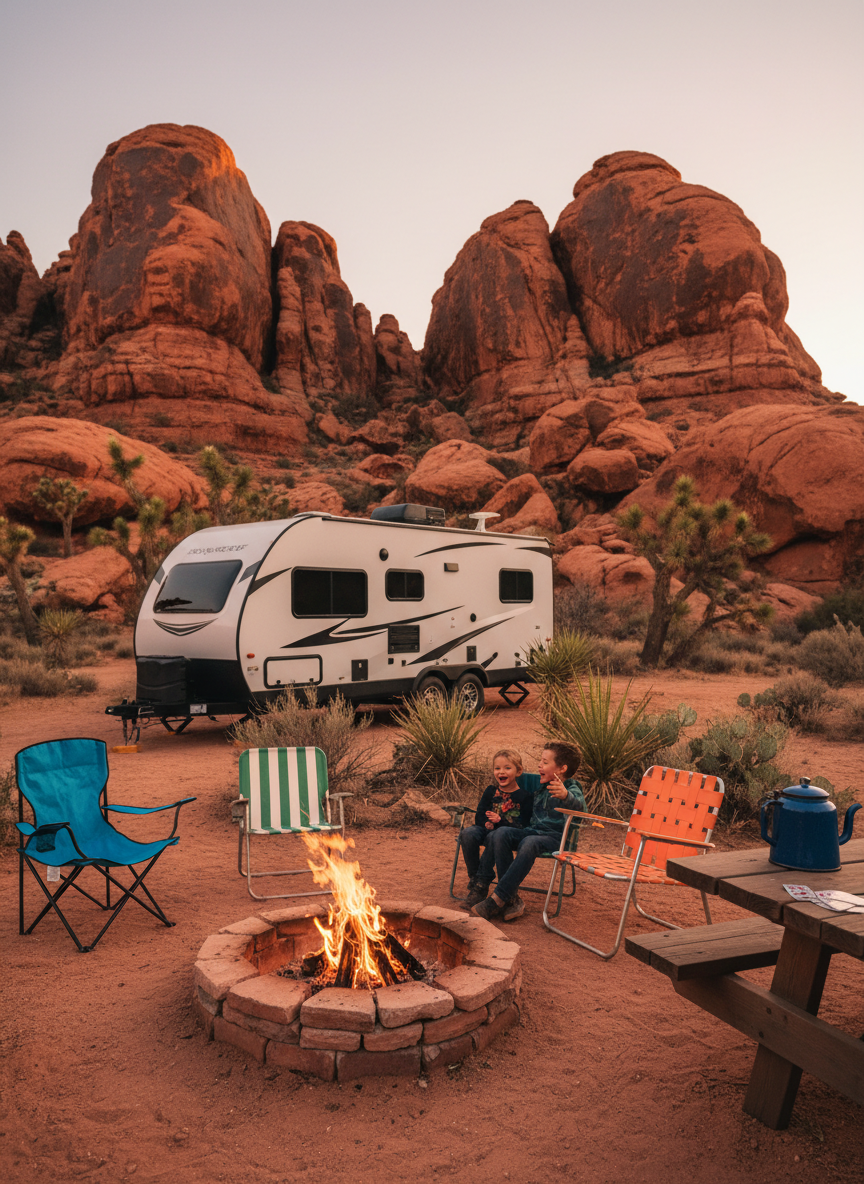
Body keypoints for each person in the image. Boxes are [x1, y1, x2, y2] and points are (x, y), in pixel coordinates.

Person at [471, 742, 584, 922]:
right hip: (532, 832)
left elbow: (580, 810)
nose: (539, 765)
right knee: (501, 833)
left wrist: (565, 796)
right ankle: (512, 900)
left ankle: (497, 899)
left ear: (562, 768)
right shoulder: (541, 787)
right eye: (540, 761)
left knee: (529, 842)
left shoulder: (571, 787)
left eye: (545, 762)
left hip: (556, 839)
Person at [459, 750, 533, 905]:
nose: (501, 772)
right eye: (497, 768)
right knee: (468, 833)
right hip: (486, 830)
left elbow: (523, 824)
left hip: (506, 836)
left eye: (507, 768)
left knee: (495, 835)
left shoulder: (525, 796)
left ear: (518, 771)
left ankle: (481, 885)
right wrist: (485, 822)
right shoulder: (490, 791)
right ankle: (475, 878)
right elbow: (480, 814)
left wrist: (500, 821)